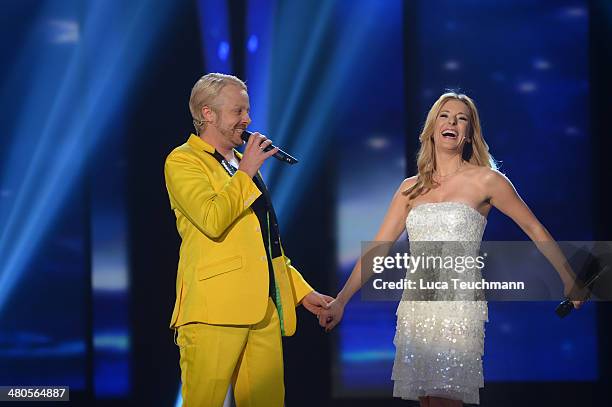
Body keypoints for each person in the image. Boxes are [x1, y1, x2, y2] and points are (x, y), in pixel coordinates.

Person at [319, 92, 584, 407]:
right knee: (428, 401)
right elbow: (378, 249)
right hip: (417, 306)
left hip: (456, 305)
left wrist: (569, 278)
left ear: (469, 132)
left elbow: (534, 228)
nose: (452, 123)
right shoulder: (410, 188)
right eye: (445, 116)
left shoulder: (488, 181)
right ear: (432, 127)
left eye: (461, 119)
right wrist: (341, 300)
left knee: (446, 398)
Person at [164, 73, 332, 407]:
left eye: (248, 110)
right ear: (208, 114)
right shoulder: (183, 160)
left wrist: (301, 292)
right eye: (239, 111)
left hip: (263, 311)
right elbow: (212, 220)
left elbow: (265, 242)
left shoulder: (242, 165)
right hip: (214, 311)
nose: (248, 120)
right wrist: (245, 175)